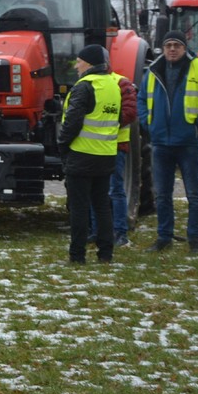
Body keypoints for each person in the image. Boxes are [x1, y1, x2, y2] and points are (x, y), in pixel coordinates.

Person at [137, 30, 198, 252]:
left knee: (193, 193)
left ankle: (195, 239)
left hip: (189, 143)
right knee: (162, 195)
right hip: (161, 143)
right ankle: (164, 237)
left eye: (177, 45)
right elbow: (141, 99)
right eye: (168, 45)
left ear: (185, 47)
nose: (172, 49)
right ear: (163, 49)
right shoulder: (154, 70)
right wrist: (148, 123)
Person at [59, 44, 121, 264]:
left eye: (79, 61)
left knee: (79, 208)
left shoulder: (85, 86)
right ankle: (106, 254)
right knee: (102, 205)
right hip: (105, 155)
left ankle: (77, 256)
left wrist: (62, 145)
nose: (76, 65)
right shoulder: (113, 85)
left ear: (89, 63)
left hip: (82, 154)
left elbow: (73, 121)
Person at [91, 70, 139, 247]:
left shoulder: (121, 83)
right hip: (92, 145)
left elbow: (130, 113)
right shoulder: (88, 82)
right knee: (94, 190)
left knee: (115, 189)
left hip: (115, 145)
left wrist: (106, 123)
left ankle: (120, 232)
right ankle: (96, 231)